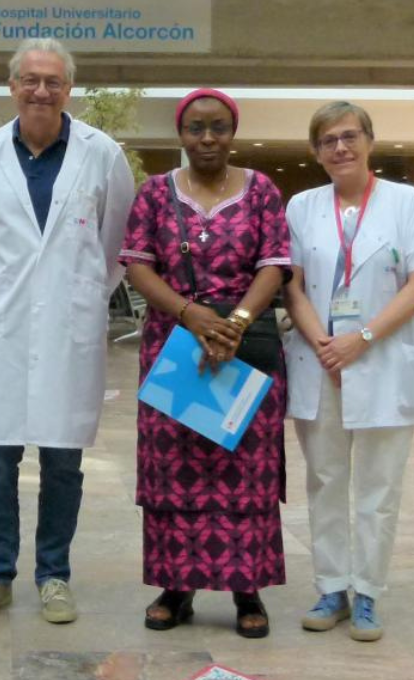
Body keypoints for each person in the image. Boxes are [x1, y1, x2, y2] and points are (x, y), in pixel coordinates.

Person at [0, 38, 134, 625]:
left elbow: (116, 247)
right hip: (4, 328)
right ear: (12, 87)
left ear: (68, 89)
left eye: (53, 81)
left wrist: (78, 295)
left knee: (62, 463)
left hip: (69, 326)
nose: (41, 90)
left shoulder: (101, 154)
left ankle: (54, 575)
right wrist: (19, 292)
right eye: (30, 80)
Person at [120, 88, 290, 639]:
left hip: (244, 348)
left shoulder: (262, 191)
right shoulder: (153, 194)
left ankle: (247, 590)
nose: (208, 138)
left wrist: (235, 322)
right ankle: (176, 587)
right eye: (196, 128)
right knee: (176, 474)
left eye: (218, 127)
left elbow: (274, 264)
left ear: (233, 131)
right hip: (177, 350)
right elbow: (138, 267)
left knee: (244, 469)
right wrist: (192, 316)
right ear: (181, 134)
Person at [283, 101, 414, 641]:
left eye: (350, 137)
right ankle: (332, 586)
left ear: (369, 141)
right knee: (326, 480)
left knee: (379, 487)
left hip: (381, 360)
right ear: (316, 151)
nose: (340, 148)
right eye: (328, 140)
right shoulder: (303, 206)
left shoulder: (404, 201)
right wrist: (325, 342)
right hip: (320, 360)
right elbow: (292, 285)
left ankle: (369, 591)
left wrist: (363, 338)